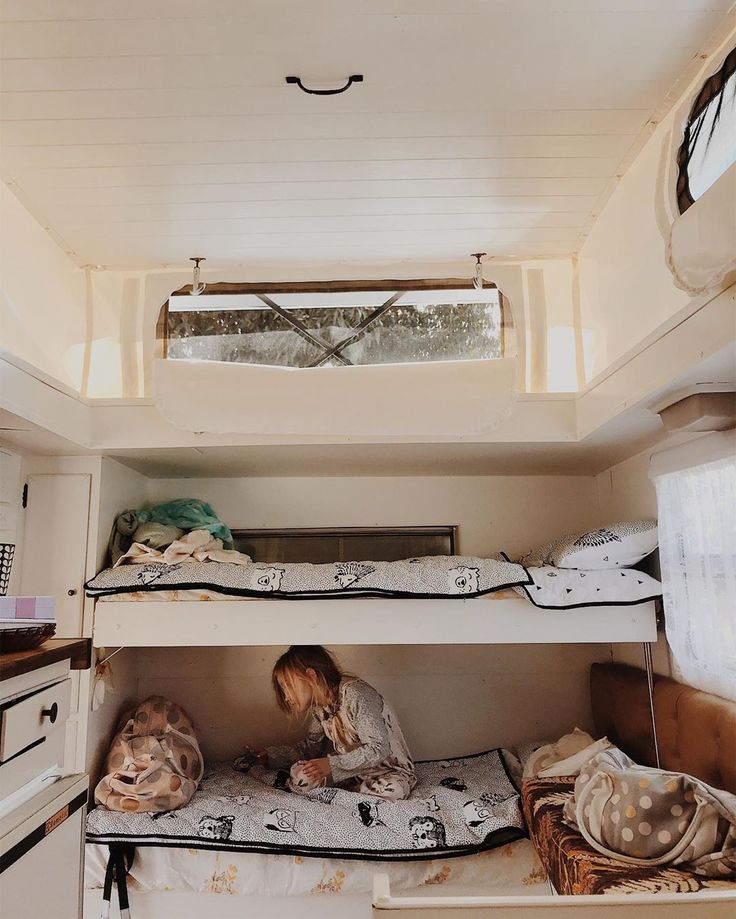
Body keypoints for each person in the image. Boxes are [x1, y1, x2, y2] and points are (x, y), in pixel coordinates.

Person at [242, 645, 416, 801]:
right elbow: (309, 749)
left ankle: (348, 799)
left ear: (311, 675)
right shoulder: (320, 707)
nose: (287, 696)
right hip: (351, 775)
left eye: (288, 685)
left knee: (394, 790)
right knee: (302, 776)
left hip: (389, 773)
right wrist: (269, 755)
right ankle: (351, 797)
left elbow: (378, 748)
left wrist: (331, 764)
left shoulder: (356, 694)